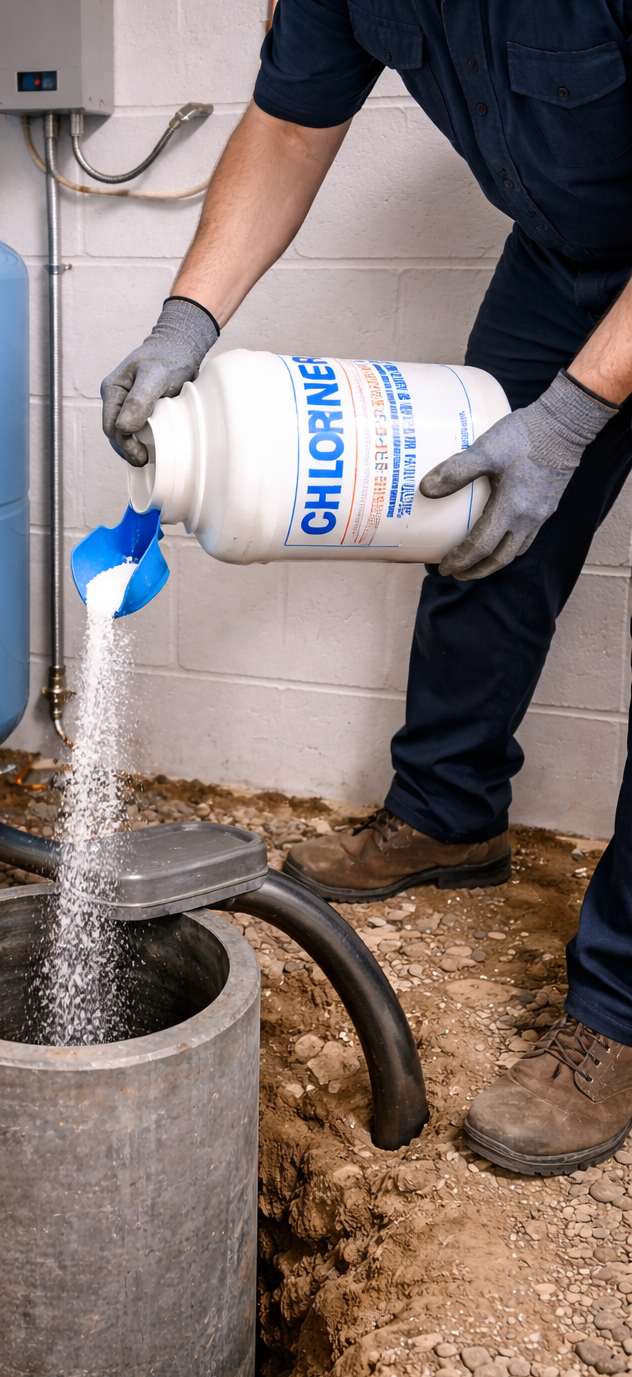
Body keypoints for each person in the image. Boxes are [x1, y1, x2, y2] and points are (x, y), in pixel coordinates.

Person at [100, 2, 632, 1178]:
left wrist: (578, 410)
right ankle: (449, 814)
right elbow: (289, 129)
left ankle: (619, 1016)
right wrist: (187, 322)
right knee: (469, 517)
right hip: (566, 256)